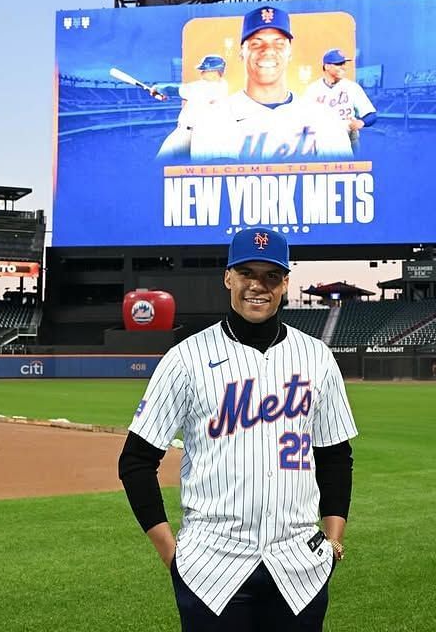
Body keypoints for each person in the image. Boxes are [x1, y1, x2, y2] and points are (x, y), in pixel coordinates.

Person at [118, 227, 357, 631]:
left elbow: (335, 455)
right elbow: (136, 461)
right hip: (211, 569)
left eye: (270, 276)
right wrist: (170, 553)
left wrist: (333, 539)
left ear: (285, 283)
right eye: (246, 273)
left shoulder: (316, 357)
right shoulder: (186, 359)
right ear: (228, 277)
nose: (257, 286)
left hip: (299, 566)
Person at [188, 6, 354, 162]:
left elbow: (341, 186)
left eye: (279, 43)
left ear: (290, 53)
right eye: (256, 43)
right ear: (242, 53)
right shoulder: (212, 119)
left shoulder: (324, 117)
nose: (268, 50)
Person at [303, 48, 378, 153]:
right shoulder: (312, 90)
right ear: (327, 66)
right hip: (321, 141)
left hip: (348, 138)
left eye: (344, 63)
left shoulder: (352, 87)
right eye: (339, 64)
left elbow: (372, 115)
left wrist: (362, 122)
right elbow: (302, 120)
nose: (343, 67)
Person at [155, 55, 230, 160]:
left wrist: (156, 88)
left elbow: (173, 89)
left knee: (161, 164)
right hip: (197, 136)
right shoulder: (223, 85)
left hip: (189, 136)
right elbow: (191, 98)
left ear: (216, 71)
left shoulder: (202, 87)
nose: (201, 72)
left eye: (205, 70)